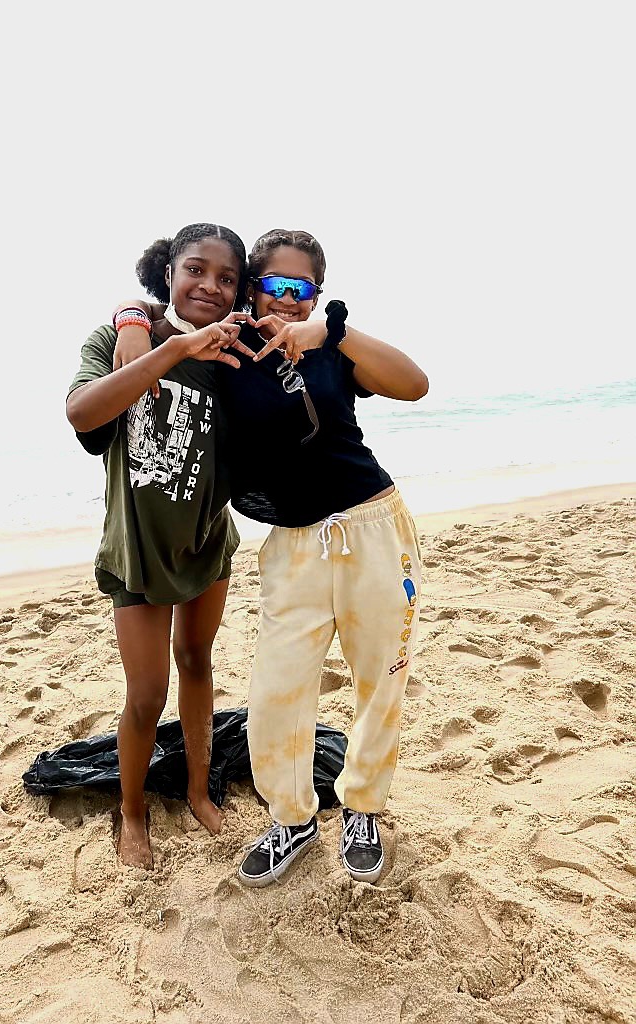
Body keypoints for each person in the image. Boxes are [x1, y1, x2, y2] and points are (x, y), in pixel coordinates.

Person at [112, 228, 428, 887]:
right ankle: (292, 818)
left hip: (371, 523)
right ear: (253, 288)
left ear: (315, 295)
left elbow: (415, 384)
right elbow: (168, 317)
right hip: (291, 544)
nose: (283, 300)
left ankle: (364, 807)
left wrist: (333, 335)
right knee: (277, 691)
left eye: (299, 289)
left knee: (379, 681)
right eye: (271, 285)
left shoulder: (330, 348)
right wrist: (133, 317)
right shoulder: (228, 349)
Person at [66, 223, 252, 868]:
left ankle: (201, 791)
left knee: (198, 663)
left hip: (206, 542)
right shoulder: (118, 338)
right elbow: (84, 414)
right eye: (196, 270)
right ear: (168, 272)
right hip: (138, 552)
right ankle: (133, 813)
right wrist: (149, 334)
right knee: (146, 694)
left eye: (227, 278)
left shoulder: (233, 351)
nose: (210, 286)